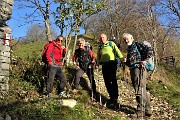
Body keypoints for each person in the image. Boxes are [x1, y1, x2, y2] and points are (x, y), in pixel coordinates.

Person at [122, 33, 153, 118]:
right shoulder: (130, 49)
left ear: (132, 38)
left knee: (139, 88)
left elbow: (150, 50)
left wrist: (145, 60)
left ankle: (140, 111)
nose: (126, 40)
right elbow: (130, 63)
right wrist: (126, 62)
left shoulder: (137, 44)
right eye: (124, 39)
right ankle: (147, 110)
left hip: (139, 68)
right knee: (141, 88)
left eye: (127, 38)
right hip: (133, 69)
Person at [96, 33, 124, 106]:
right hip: (104, 65)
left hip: (112, 63)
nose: (102, 39)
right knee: (106, 81)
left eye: (103, 37)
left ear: (106, 38)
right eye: (100, 38)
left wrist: (122, 58)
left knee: (113, 80)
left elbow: (117, 51)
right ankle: (111, 96)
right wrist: (97, 63)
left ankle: (115, 97)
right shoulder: (100, 47)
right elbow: (98, 56)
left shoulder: (111, 44)